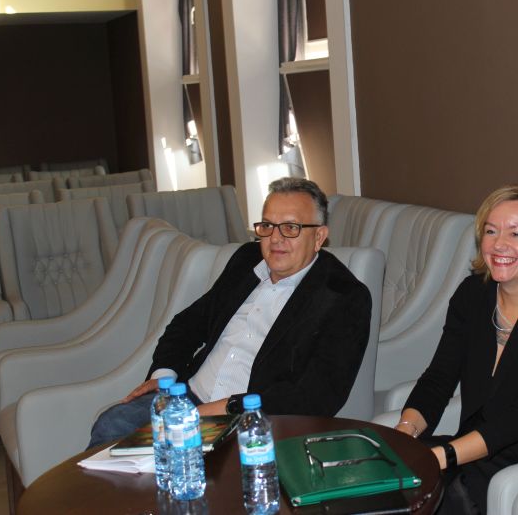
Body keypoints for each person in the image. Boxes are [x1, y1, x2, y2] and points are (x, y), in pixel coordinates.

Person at [89, 177, 371, 447]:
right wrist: (164, 377)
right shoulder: (246, 261)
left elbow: (317, 396)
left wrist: (227, 407)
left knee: (174, 461)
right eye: (267, 226)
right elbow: (188, 324)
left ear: (319, 236)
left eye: (290, 228)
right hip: (187, 398)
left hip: (252, 419)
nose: (275, 238)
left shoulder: (344, 297)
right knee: (112, 425)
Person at [395, 184, 518, 514]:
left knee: (448, 490)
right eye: (490, 231)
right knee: (393, 477)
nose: (499, 244)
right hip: (477, 443)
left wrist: (443, 455)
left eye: (516, 233)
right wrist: (405, 433)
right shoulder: (472, 294)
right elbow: (438, 379)